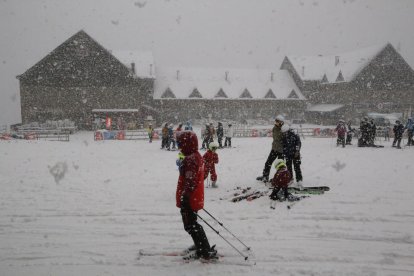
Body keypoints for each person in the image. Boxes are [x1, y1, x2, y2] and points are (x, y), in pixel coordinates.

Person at [175, 131, 217, 260]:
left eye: (181, 143)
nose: (179, 146)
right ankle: (201, 245)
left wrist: (185, 197)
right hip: (195, 197)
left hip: (190, 198)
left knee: (190, 225)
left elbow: (190, 181)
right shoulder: (195, 156)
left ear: (187, 144)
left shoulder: (190, 160)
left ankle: (203, 250)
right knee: (193, 224)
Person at [256, 115, 285, 183]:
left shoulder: (283, 129)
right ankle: (265, 176)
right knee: (268, 163)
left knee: (280, 165)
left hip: (281, 150)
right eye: (276, 121)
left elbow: (286, 139)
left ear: (281, 122)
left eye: (277, 121)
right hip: (274, 148)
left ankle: (280, 178)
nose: (276, 122)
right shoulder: (274, 128)